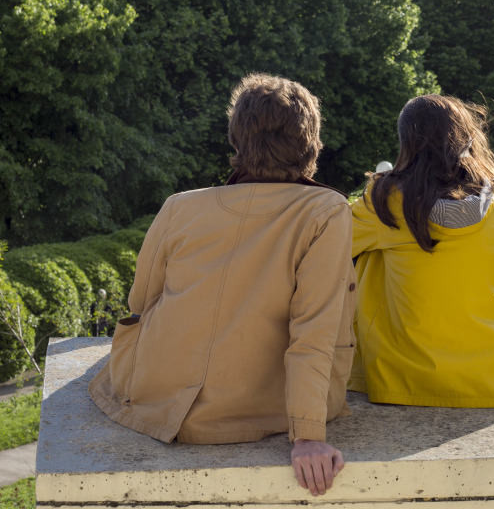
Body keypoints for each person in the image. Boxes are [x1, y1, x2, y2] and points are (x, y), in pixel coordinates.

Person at [89, 74, 354, 497]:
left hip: (155, 396)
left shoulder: (180, 205)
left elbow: (141, 300)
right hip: (254, 408)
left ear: (236, 140)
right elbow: (315, 328)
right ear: (312, 142)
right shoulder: (326, 210)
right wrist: (308, 435)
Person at [350, 94, 494, 409]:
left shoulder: (384, 201)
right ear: (468, 138)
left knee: (372, 253)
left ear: (406, 143)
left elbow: (334, 242)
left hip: (410, 378)